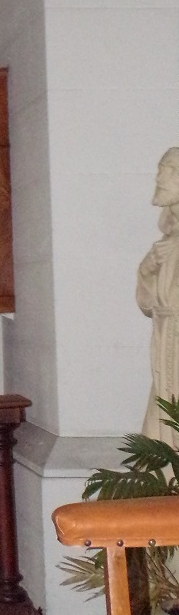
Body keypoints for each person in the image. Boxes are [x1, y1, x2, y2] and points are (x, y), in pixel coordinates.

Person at [137, 148, 179, 445]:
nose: (159, 177)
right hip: (166, 348)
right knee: (158, 435)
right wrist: (150, 267)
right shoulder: (168, 239)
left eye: (168, 169)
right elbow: (147, 303)